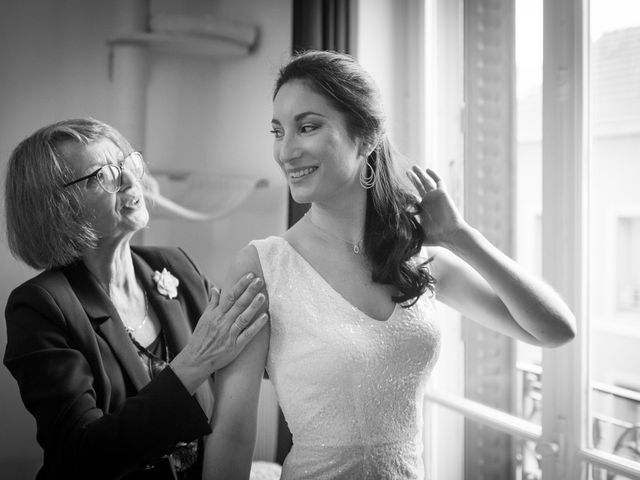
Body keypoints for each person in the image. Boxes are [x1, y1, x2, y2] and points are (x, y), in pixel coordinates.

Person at [201, 50, 576, 480]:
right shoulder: (263, 266)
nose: (286, 151)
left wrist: (460, 237)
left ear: (366, 137)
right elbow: (232, 431)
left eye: (307, 127)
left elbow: (555, 330)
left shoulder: (416, 258)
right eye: (277, 131)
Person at [3, 118, 269, 480]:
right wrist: (193, 363)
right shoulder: (40, 306)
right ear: (60, 208)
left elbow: (249, 352)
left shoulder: (176, 266)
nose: (132, 180)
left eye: (129, 164)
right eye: (106, 174)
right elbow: (83, 454)